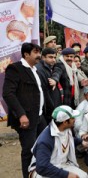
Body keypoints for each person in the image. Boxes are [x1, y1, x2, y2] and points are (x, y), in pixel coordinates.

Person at [3, 43, 46, 178]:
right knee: (28, 151)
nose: (39, 55)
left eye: (40, 52)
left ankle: (39, 173)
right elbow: (8, 94)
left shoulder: (35, 70)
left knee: (44, 146)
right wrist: (21, 114)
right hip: (26, 118)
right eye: (36, 52)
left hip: (39, 116)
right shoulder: (15, 68)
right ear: (26, 54)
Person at [28, 105, 88, 178]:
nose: (75, 120)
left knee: (84, 176)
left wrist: (81, 142)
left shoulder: (65, 129)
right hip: (44, 170)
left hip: (62, 165)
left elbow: (69, 140)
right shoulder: (45, 140)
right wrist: (66, 175)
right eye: (72, 118)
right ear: (65, 122)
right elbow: (42, 167)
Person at [36, 48, 62, 123]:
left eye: (54, 57)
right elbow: (45, 92)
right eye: (50, 57)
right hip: (48, 108)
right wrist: (52, 107)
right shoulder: (39, 70)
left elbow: (59, 68)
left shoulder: (51, 66)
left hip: (53, 105)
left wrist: (55, 79)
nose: (53, 60)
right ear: (43, 57)